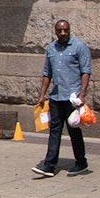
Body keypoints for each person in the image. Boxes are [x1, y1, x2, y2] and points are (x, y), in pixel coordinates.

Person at [33, 19, 91, 177]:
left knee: (74, 130)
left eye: (66, 30)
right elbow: (47, 73)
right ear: (55, 32)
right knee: (54, 131)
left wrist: (82, 94)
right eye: (60, 30)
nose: (63, 33)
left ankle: (81, 162)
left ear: (69, 30)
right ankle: (49, 165)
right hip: (56, 97)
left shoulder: (79, 46)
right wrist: (42, 95)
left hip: (72, 98)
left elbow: (85, 71)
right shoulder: (51, 48)